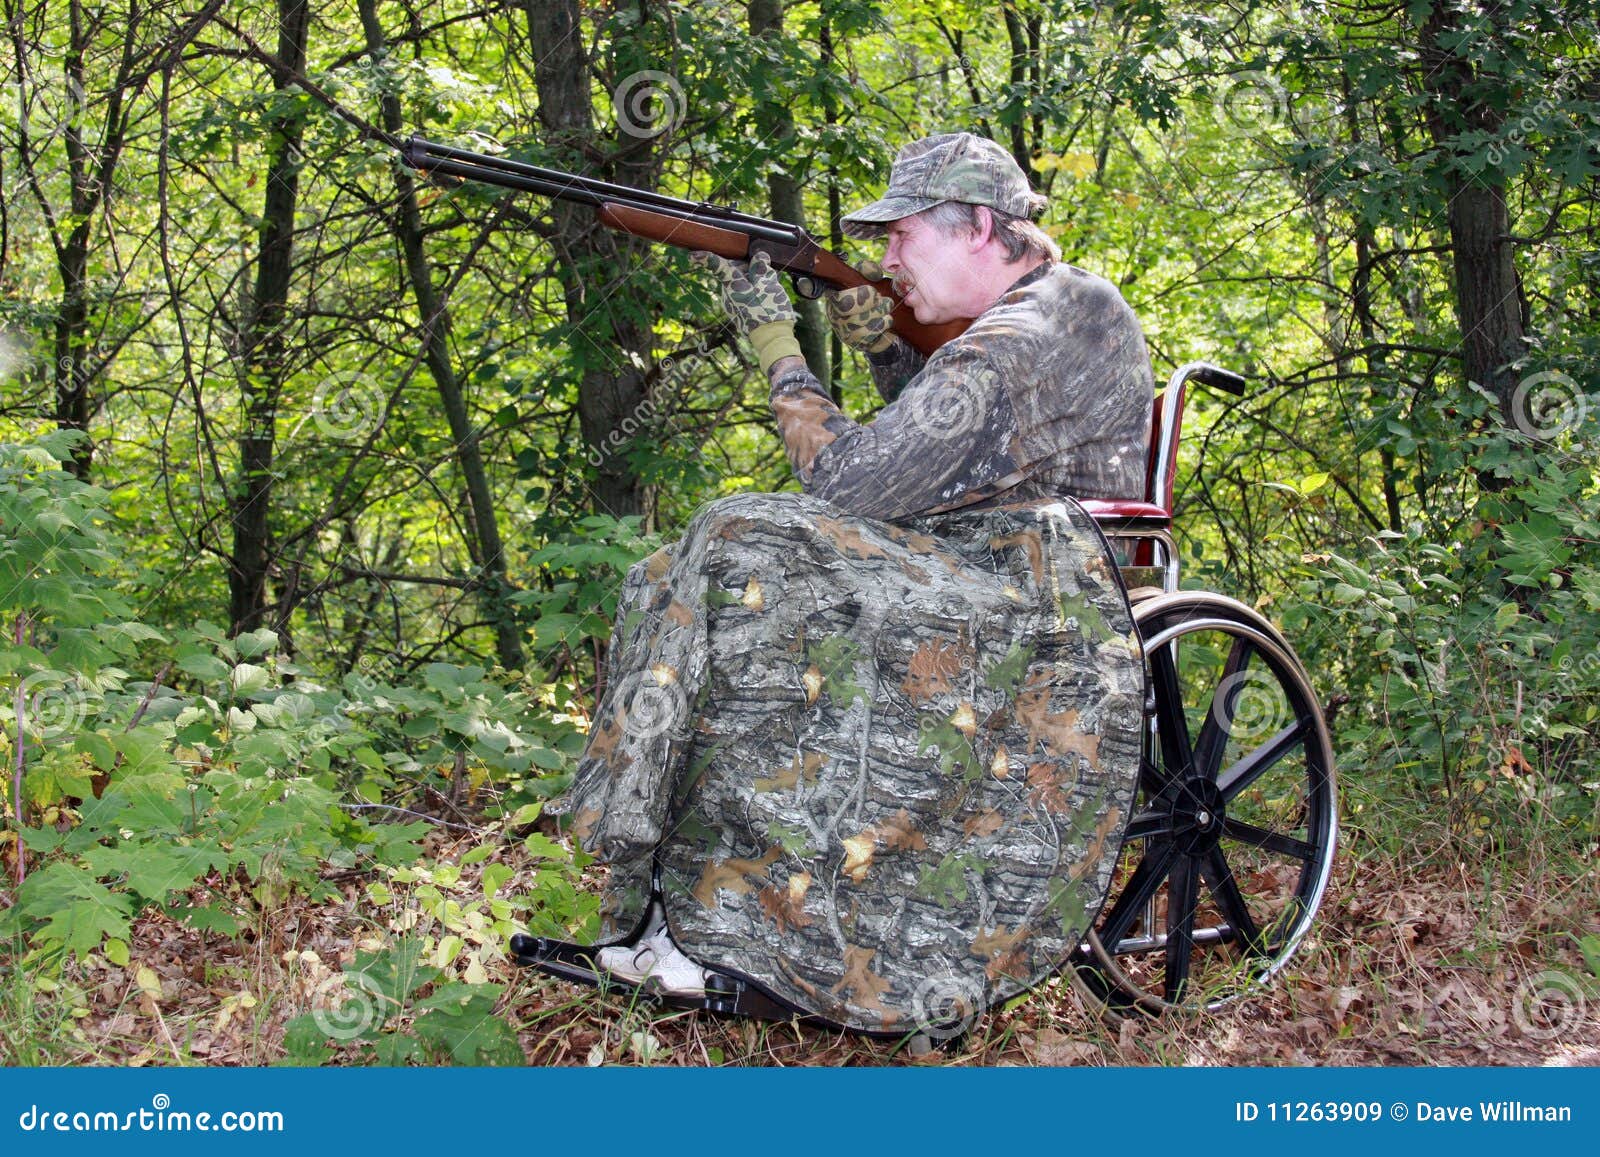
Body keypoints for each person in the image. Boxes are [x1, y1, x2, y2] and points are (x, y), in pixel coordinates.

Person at [578, 133, 1152, 1027]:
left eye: (901, 237)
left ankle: (739, 917)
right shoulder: (1055, 308)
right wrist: (887, 344)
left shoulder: (1024, 332)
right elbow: (956, 444)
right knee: (671, 566)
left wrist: (780, 351)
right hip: (987, 561)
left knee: (740, 535)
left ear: (979, 229)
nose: (885, 259)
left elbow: (853, 484)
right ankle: (676, 893)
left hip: (1044, 597)